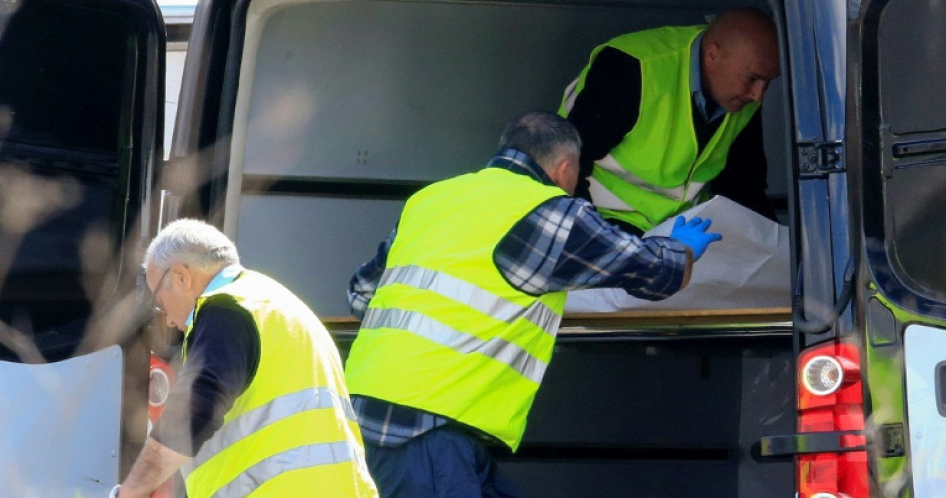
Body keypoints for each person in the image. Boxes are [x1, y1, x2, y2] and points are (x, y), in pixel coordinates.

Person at [343, 111, 722, 498]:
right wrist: (680, 248)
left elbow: (361, 292)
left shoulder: (432, 199)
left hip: (367, 419)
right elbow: (655, 272)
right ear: (564, 168)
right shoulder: (549, 211)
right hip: (429, 433)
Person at [111, 219, 378, 498]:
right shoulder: (275, 304)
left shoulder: (226, 310)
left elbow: (195, 409)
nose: (167, 319)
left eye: (161, 301)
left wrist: (130, 491)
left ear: (181, 277)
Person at [559, 7, 781, 235]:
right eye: (752, 79)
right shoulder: (633, 68)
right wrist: (596, 239)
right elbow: (565, 166)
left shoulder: (742, 98)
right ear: (712, 55)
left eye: (768, 82)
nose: (758, 95)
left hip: (682, 230)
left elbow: (741, 185)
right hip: (606, 219)